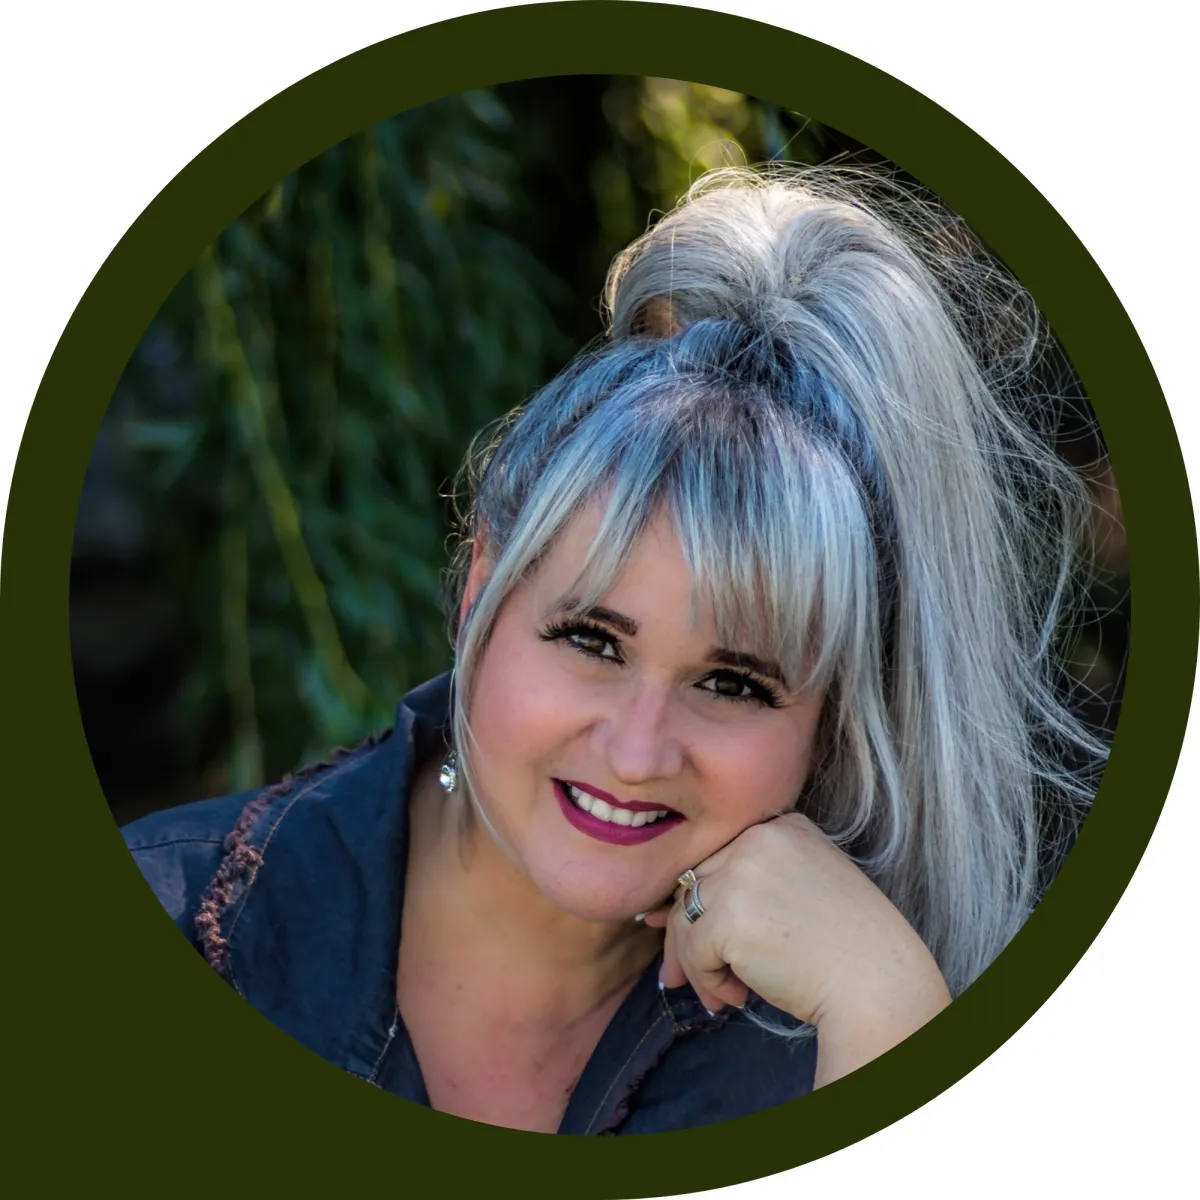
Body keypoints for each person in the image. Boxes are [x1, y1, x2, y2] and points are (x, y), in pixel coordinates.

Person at [122, 164, 1107, 1135]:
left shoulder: (840, 1029)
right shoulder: (173, 928)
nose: (637, 752)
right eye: (592, 640)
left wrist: (887, 1013)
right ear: (480, 589)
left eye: (734, 682)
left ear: (830, 721)